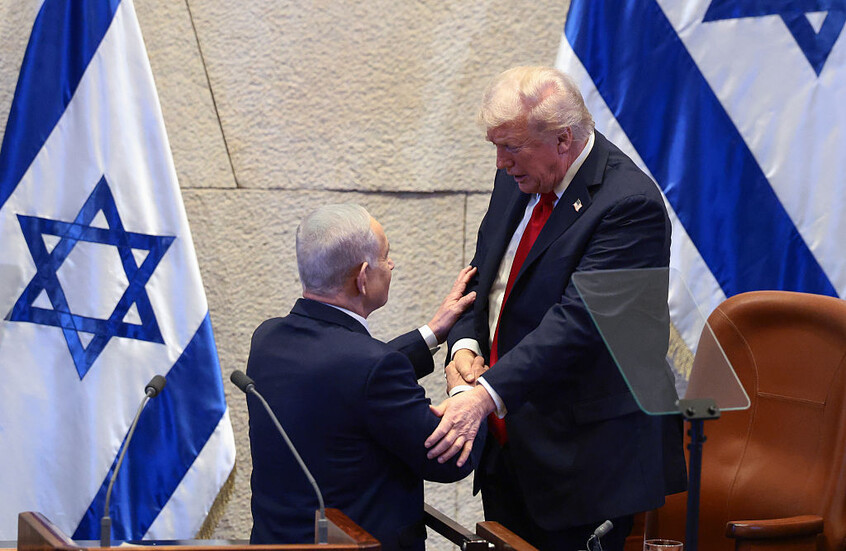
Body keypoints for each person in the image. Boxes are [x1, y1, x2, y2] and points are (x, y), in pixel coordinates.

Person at [426, 66, 688, 551]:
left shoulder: (629, 204)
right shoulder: (518, 177)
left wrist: (483, 396)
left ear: (563, 139)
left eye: (511, 147)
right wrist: (464, 345)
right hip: (510, 448)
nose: (501, 162)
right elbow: (482, 276)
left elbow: (579, 324)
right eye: (496, 147)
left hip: (584, 465)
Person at [245, 203, 485, 551]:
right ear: (362, 277)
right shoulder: (372, 367)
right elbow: (448, 460)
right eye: (386, 256)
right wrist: (468, 393)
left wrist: (431, 333)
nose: (391, 265)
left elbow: (346, 374)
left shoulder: (267, 339)